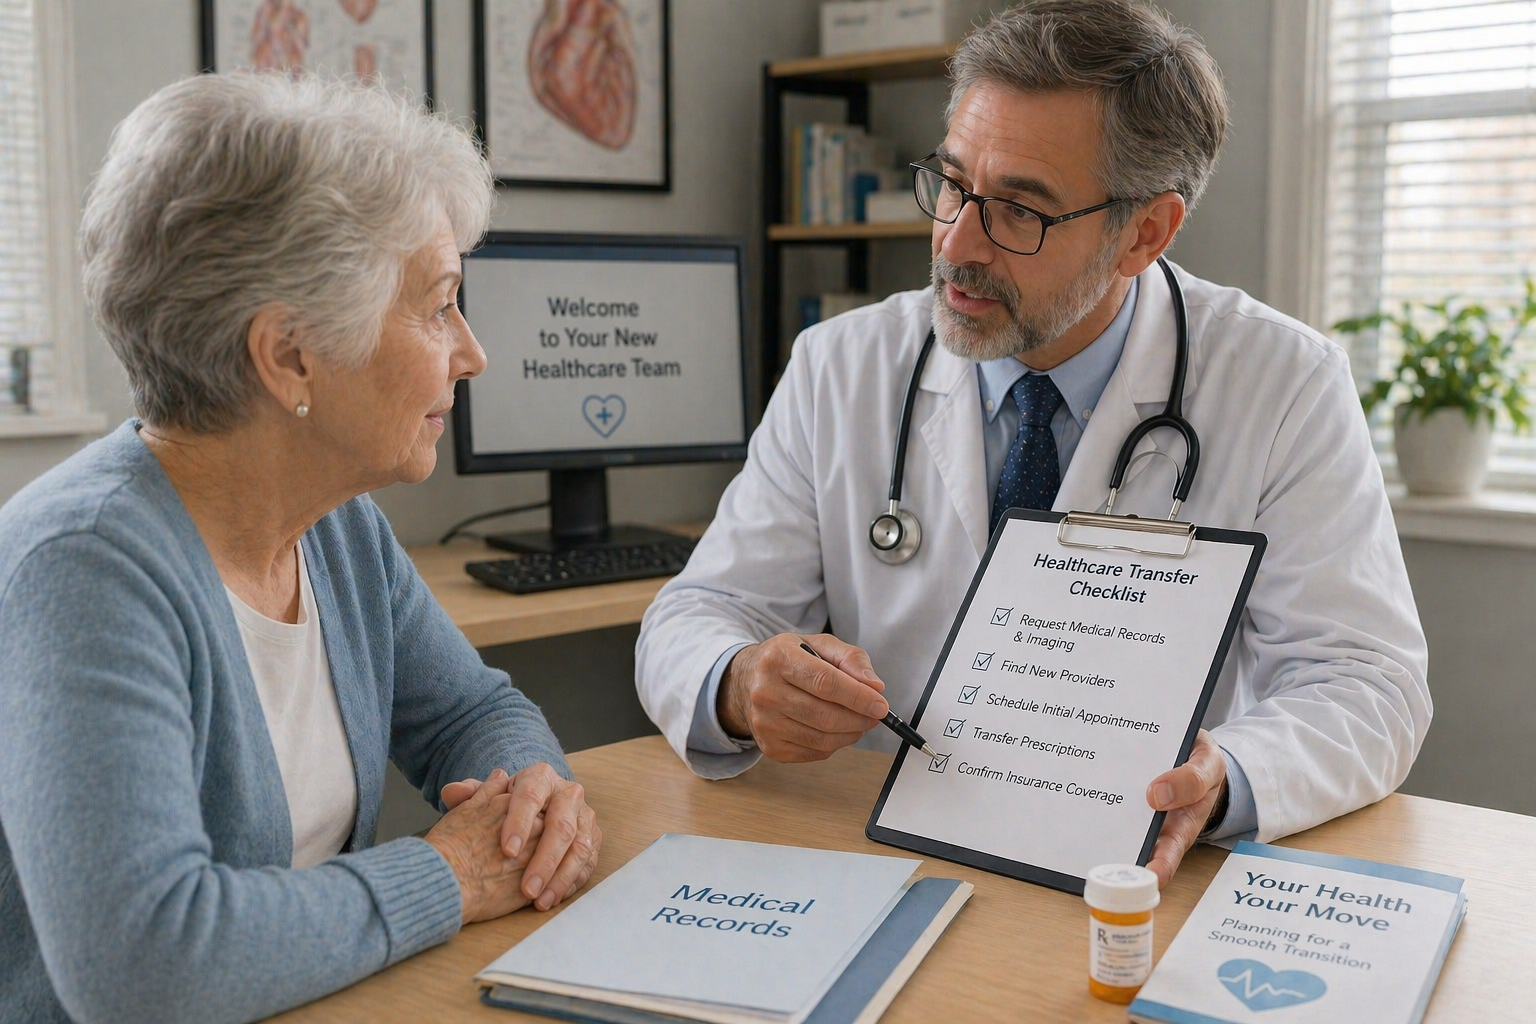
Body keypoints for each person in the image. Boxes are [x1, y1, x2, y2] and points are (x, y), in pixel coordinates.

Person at [637, 0, 1430, 888]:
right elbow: (696, 614)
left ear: (1145, 233)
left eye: (1020, 210)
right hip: (883, 858)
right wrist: (739, 681)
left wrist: (1230, 776)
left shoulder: (1283, 385)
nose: (956, 242)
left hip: (1128, 874)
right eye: (952, 183)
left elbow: (1368, 687)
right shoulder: (840, 365)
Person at [0, 74, 601, 1024]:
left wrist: (536, 794)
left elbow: (473, 711)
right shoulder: (82, 569)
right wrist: (447, 875)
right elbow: (142, 967)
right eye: (439, 305)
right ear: (288, 356)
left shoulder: (335, 526)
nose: (471, 353)